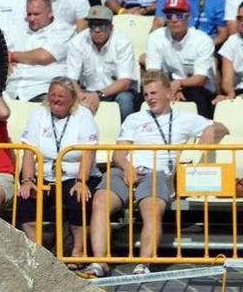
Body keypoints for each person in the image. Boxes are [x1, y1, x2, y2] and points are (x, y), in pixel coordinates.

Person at [80, 71, 228, 277]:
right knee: (100, 202)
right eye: (146, 94)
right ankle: (99, 262)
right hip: (126, 169)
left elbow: (223, 127)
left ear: (168, 93)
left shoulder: (186, 118)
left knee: (151, 209)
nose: (149, 98)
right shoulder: (134, 118)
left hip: (158, 173)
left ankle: (143, 263)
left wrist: (212, 129)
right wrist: (127, 168)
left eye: (154, 93)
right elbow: (119, 152)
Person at [17, 77, 100, 255]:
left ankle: (78, 251)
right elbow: (29, 150)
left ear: (72, 98)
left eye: (61, 95)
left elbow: (89, 152)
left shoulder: (83, 115)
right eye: (52, 95)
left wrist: (81, 181)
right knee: (25, 201)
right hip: (45, 174)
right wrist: (27, 180)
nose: (56, 99)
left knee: (78, 199)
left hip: (75, 174)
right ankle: (39, 253)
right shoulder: (39, 114)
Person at [145, 0, 217, 117]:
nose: (174, 20)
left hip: (198, 87)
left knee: (195, 94)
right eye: (169, 16)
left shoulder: (203, 40)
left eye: (179, 15)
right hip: (167, 84)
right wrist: (170, 88)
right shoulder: (155, 38)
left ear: (187, 17)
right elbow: (153, 73)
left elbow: (200, 79)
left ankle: (204, 129)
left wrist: (178, 84)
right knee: (149, 93)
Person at [67, 5, 139, 120]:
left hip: (117, 92)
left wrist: (98, 95)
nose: (97, 30)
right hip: (87, 91)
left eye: (101, 25)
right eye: (93, 25)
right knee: (68, 97)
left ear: (111, 26)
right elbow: (71, 78)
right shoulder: (77, 42)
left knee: (125, 99)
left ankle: (127, 134)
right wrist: (80, 96)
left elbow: (124, 82)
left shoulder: (123, 42)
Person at [5, 0, 75, 101]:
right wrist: (4, 61)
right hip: (10, 92)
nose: (32, 18)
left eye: (36, 14)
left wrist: (11, 56)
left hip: (42, 91)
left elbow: (43, 56)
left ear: (50, 13)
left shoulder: (63, 30)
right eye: (29, 14)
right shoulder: (16, 29)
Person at [217, 2, 243, 100]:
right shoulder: (232, 41)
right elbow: (227, 81)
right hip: (239, 91)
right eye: (239, 19)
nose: (242, 22)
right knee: (218, 104)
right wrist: (231, 94)